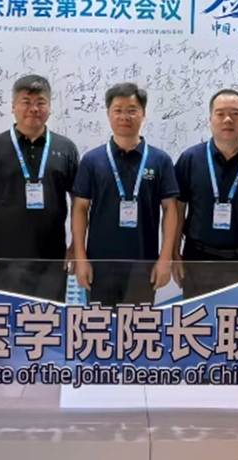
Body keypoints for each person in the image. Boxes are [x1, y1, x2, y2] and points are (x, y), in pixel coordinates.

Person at [0, 74, 79, 301]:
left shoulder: (66, 148)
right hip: (4, 259)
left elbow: (79, 203)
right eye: (26, 102)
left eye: (40, 102)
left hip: (52, 261)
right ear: (13, 106)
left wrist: (76, 246)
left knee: (48, 320)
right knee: (4, 319)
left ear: (49, 107)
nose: (34, 109)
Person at [71, 83, 179, 305]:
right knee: (100, 323)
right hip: (99, 264)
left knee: (138, 324)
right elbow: (80, 208)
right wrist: (81, 258)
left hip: (144, 263)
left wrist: (165, 258)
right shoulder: (92, 160)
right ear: (108, 114)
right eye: (118, 110)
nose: (124, 116)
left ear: (143, 113)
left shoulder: (160, 160)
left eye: (132, 110)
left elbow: (170, 209)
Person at [173, 89, 238, 299]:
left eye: (235, 114)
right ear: (210, 119)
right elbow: (178, 209)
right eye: (220, 113)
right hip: (196, 258)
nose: (228, 119)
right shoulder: (190, 159)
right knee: (197, 317)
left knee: (235, 318)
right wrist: (174, 252)